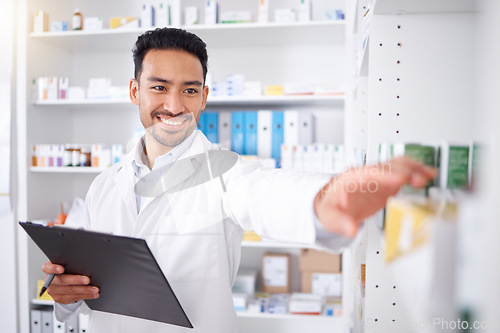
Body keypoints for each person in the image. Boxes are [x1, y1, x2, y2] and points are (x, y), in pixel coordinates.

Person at [41, 28, 435, 332]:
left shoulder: (225, 171)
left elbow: (264, 191)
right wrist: (64, 296)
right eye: (159, 87)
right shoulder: (104, 185)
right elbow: (82, 280)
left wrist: (324, 200)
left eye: (189, 90)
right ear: (134, 91)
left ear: (204, 97)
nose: (175, 106)